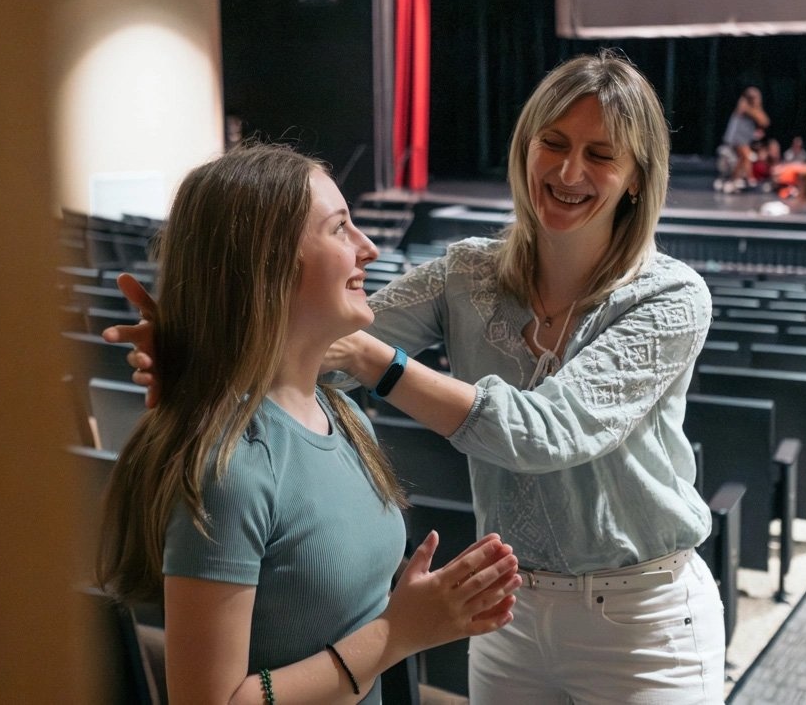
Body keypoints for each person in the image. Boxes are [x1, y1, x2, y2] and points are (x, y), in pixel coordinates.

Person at [109, 51, 727, 702]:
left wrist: (378, 361)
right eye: (554, 142)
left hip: (639, 616)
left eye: (601, 154)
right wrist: (200, 355)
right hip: (508, 606)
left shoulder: (670, 297)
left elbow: (546, 432)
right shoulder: (468, 271)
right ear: (525, 148)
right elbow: (303, 347)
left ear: (636, 178)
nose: (570, 170)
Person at [96, 144, 522, 704]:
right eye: (340, 229)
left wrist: (414, 617)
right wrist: (399, 633)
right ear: (269, 264)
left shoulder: (341, 415)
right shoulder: (233, 468)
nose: (367, 248)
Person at [719, 85, 769, 193]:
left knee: (741, 159)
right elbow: (761, 119)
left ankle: (734, 181)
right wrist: (757, 106)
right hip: (736, 138)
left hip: (744, 138)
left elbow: (765, 122)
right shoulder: (743, 105)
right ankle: (750, 180)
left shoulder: (753, 108)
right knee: (746, 157)